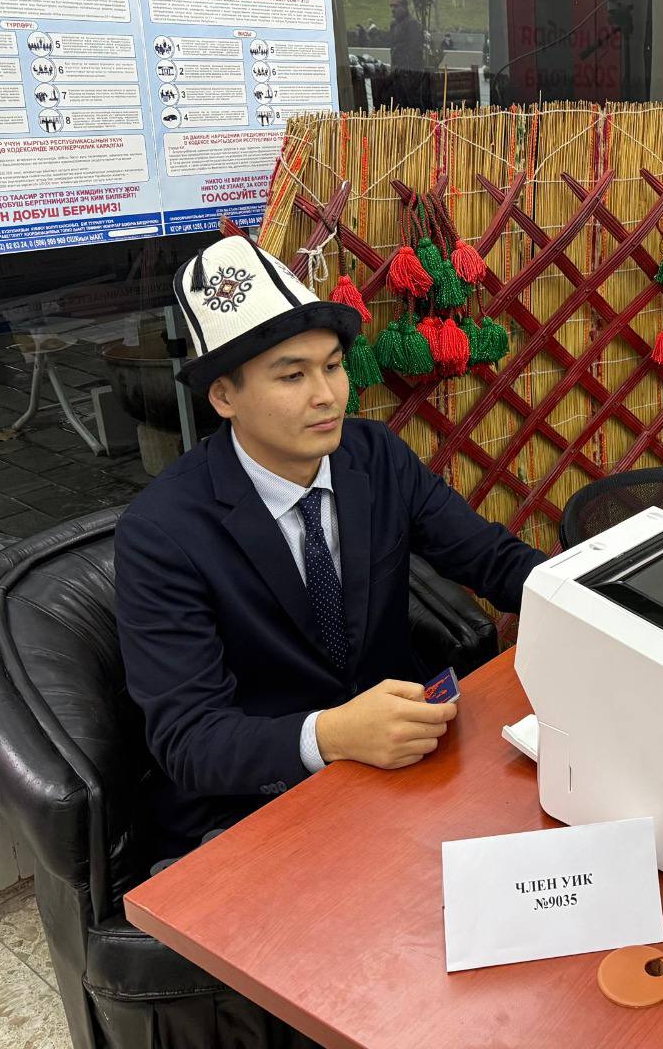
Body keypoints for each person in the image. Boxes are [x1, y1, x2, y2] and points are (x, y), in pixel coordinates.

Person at [116, 235, 548, 858]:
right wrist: (330, 736)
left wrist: (605, 598)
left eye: (334, 366)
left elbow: (492, 560)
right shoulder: (162, 532)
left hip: (406, 764)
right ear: (224, 396)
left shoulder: (375, 458)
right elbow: (190, 739)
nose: (327, 395)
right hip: (263, 805)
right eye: (292, 375)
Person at [387, 0, 425, 71]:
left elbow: (415, 51)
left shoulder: (412, 24)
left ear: (404, 7)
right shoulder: (393, 25)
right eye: (391, 6)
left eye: (396, 6)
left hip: (410, 72)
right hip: (396, 70)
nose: (393, 9)